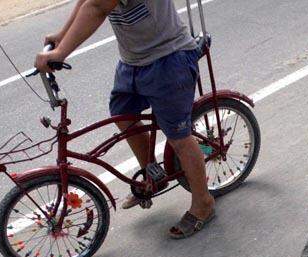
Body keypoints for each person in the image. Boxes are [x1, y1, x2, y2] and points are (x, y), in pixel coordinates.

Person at [36, 0, 215, 239]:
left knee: (178, 137)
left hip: (168, 58)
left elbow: (98, 7)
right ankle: (154, 177)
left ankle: (203, 203)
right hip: (133, 61)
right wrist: (62, 35)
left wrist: (61, 52)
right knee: (123, 116)